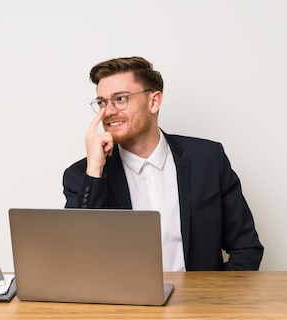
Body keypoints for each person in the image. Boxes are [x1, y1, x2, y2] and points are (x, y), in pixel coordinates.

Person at [62, 56, 263, 271]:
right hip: (123, 303)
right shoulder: (81, 175)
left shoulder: (208, 160)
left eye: (120, 99)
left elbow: (246, 248)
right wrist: (94, 173)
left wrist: (215, 300)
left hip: (200, 302)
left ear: (154, 101)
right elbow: (80, 258)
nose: (108, 111)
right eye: (102, 102)